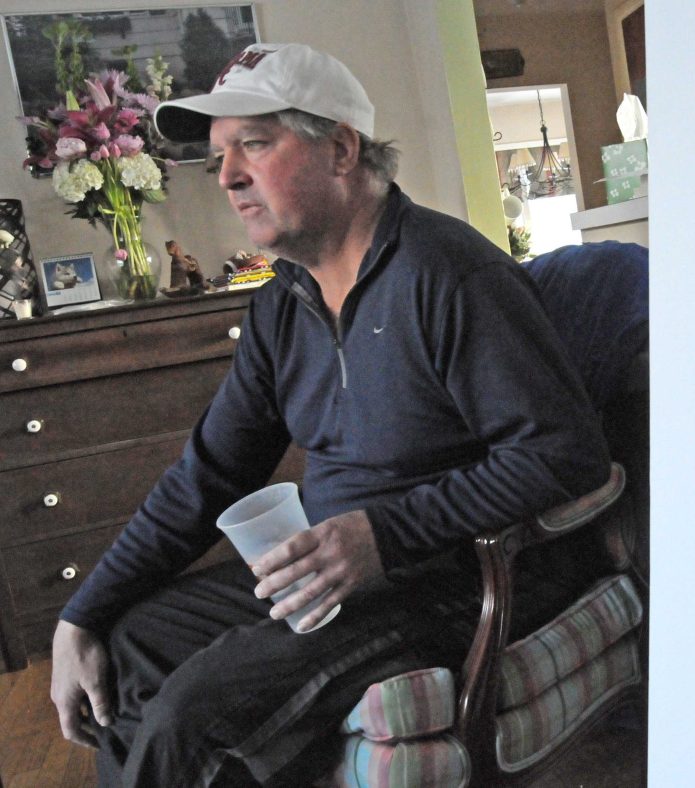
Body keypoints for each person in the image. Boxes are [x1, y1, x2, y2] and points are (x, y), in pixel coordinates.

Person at [49, 42, 611, 786]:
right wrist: (80, 614)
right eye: (221, 155)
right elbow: (206, 477)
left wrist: (384, 535)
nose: (228, 177)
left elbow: (564, 455)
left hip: (453, 576)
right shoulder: (283, 305)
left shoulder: (451, 275)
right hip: (327, 576)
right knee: (126, 650)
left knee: (193, 715)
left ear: (341, 149)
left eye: (253, 143)